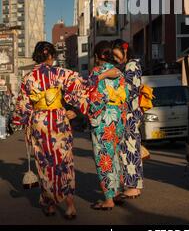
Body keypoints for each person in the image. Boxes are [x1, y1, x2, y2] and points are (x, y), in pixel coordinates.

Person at [12, 41, 87, 219]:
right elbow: (80, 85)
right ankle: (70, 206)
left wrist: (23, 121)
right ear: (51, 56)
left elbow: (23, 106)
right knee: (64, 161)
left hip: (39, 121)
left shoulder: (28, 77)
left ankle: (51, 205)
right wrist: (75, 110)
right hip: (59, 120)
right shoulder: (62, 73)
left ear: (37, 57)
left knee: (45, 164)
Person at [87, 41, 129, 210]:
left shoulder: (96, 72)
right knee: (115, 155)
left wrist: (89, 114)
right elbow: (124, 96)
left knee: (103, 157)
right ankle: (118, 192)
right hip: (117, 117)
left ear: (97, 56)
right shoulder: (119, 72)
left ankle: (109, 199)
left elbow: (93, 97)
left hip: (103, 118)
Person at [112, 39, 144, 199]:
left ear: (124, 50)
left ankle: (133, 186)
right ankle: (133, 185)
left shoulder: (131, 66)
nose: (115, 59)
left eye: (116, 55)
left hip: (129, 113)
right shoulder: (130, 65)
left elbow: (128, 90)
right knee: (129, 149)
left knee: (130, 149)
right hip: (131, 112)